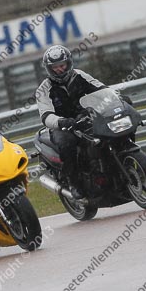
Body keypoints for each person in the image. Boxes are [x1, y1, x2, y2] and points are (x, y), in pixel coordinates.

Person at [36, 44, 107, 200]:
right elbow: (46, 115)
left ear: (68, 63)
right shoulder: (44, 89)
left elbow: (101, 89)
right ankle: (74, 183)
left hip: (85, 118)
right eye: (55, 67)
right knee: (67, 143)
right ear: (49, 68)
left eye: (62, 65)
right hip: (63, 126)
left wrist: (118, 99)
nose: (60, 69)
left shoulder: (80, 75)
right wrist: (62, 122)